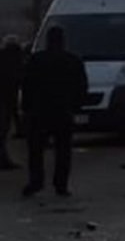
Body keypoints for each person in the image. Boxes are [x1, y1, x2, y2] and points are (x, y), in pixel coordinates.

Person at [21, 26, 88, 197]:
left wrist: (26, 109)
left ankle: (36, 182)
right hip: (63, 112)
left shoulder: (36, 60)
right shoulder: (73, 60)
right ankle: (61, 185)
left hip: (39, 112)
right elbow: (81, 87)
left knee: (36, 150)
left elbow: (26, 85)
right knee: (63, 151)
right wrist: (75, 107)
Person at [0, 35, 25, 169]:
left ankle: (3, 158)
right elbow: (20, 77)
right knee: (3, 130)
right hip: (8, 97)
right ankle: (3, 160)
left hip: (5, 97)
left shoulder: (3, 57)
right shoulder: (17, 59)